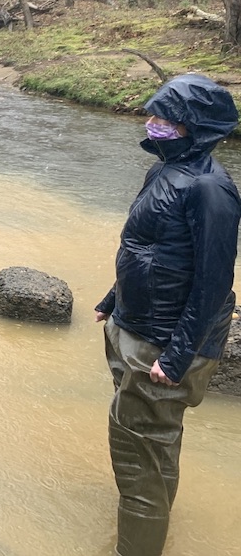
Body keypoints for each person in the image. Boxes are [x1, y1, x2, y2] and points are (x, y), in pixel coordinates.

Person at [94, 73, 240, 556]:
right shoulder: (164, 171)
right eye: (153, 114)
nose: (152, 123)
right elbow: (146, 248)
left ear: (193, 127)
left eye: (166, 118)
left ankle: (135, 549)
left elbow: (214, 282)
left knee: (139, 461)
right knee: (151, 449)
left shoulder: (209, 189)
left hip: (162, 344)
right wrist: (113, 298)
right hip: (135, 328)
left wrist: (177, 358)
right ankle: (152, 528)